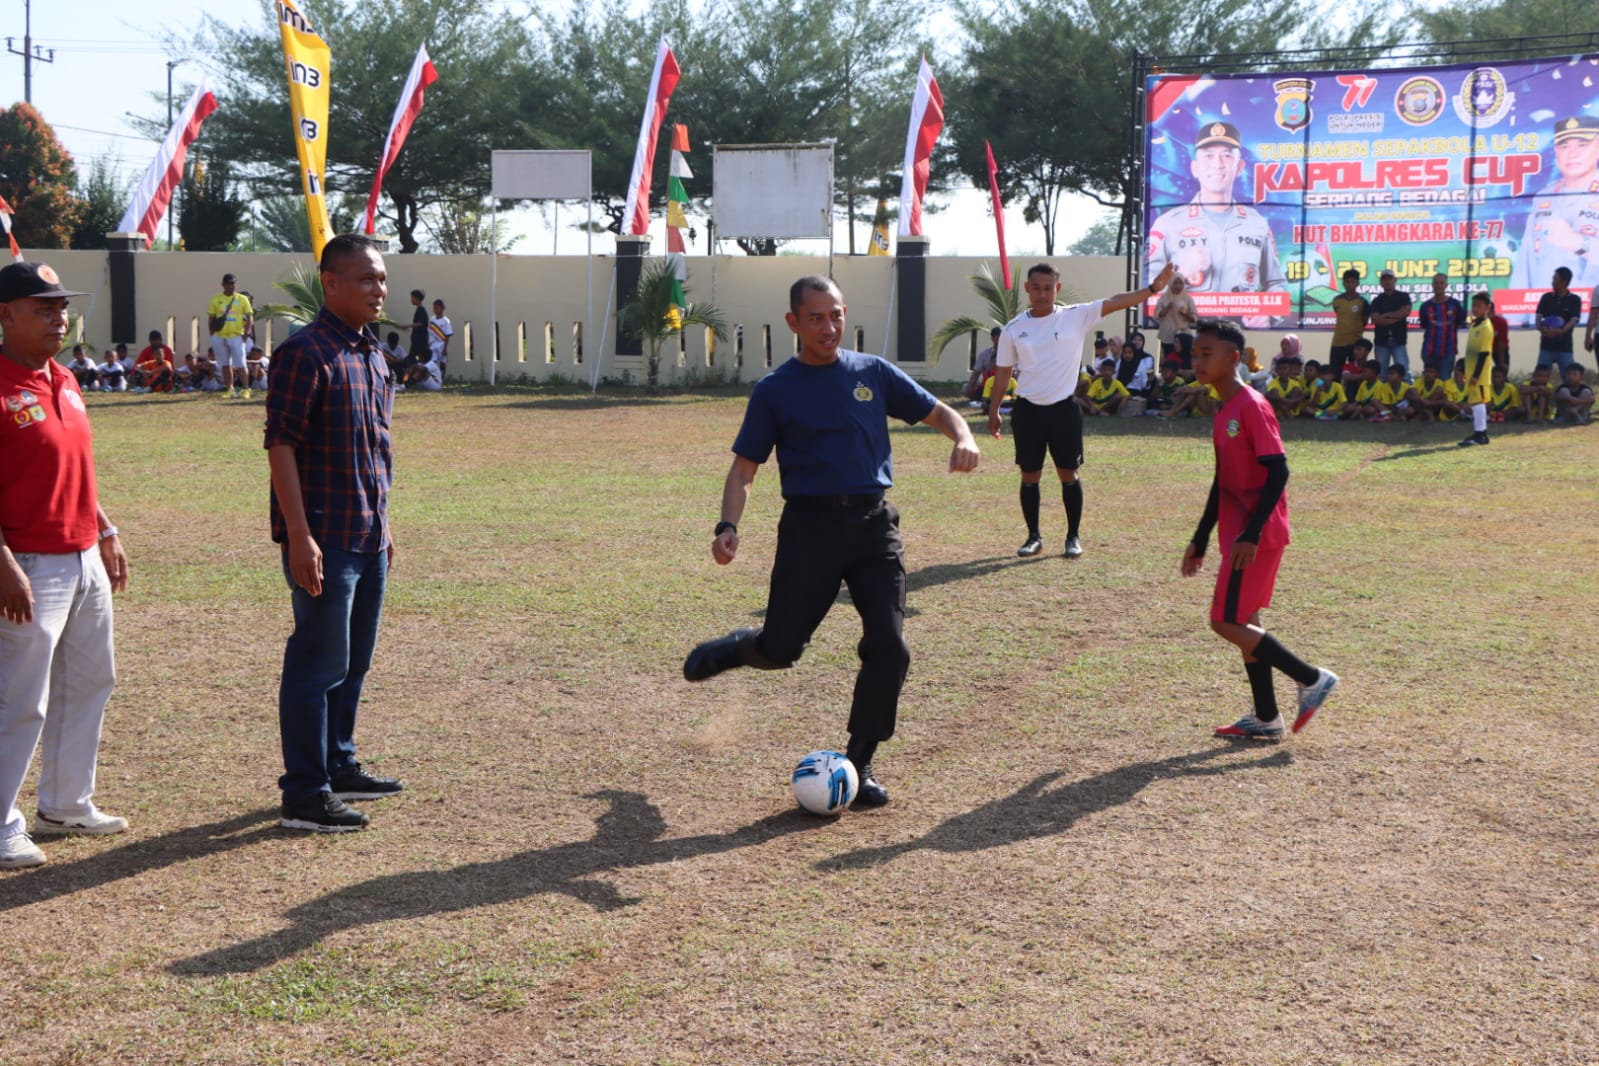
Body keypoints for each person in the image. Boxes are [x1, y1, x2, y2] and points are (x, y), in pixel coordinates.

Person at [680, 274, 980, 809]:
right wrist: (727, 527)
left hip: (873, 526)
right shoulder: (776, 389)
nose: (829, 326)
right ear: (794, 322)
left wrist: (964, 436)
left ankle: (860, 761)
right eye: (816, 317)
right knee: (781, 651)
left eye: (836, 314)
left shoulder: (873, 372)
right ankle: (741, 647)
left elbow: (939, 411)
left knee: (890, 646)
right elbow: (744, 470)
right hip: (810, 530)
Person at [264, 234, 405, 833]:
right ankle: (305, 791)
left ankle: (338, 763)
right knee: (317, 664)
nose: (379, 290)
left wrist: (386, 524)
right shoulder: (305, 353)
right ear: (332, 283)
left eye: (382, 279)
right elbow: (281, 445)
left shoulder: (370, 353)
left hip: (367, 533)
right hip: (325, 536)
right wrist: (300, 535)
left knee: (354, 663)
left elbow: (373, 452)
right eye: (367, 279)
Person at [0, 261, 131, 869]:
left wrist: (104, 529)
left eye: (61, 306)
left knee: (88, 684)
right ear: (6, 315)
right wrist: (4, 563)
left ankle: (65, 803)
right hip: (27, 562)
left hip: (82, 557)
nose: (59, 317)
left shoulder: (66, 378)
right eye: (42, 307)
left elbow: (72, 468)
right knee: (19, 699)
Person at [1178, 318, 1338, 740]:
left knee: (1224, 621)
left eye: (1206, 354)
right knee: (1246, 620)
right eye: (1195, 353)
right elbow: (1222, 481)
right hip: (1239, 533)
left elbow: (1279, 471)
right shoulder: (1222, 409)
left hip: (1256, 535)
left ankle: (1310, 677)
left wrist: (1249, 533)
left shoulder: (1251, 405)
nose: (1198, 360)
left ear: (1234, 359)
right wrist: (1200, 537)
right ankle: (1267, 717)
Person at [989, 259, 1178, 559]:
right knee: (1030, 475)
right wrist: (994, 410)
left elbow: (1117, 301)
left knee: (1068, 473)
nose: (1041, 293)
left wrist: (1153, 288)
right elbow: (1002, 374)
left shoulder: (1075, 316)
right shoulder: (1014, 329)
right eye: (1036, 288)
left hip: (1063, 409)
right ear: (1027, 288)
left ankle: (1072, 537)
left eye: (1047, 288)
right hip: (1027, 411)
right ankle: (1033, 536)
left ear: (1057, 289)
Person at [1145, 122, 1287, 329]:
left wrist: (1269, 314)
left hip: (1238, 338)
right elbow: (1147, 296)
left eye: (1227, 155)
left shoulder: (1257, 224)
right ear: (1195, 167)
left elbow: (1276, 284)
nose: (1218, 164)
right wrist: (1181, 274)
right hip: (1186, 336)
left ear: (1239, 167)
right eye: (1209, 155)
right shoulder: (1168, 224)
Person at [1509, 115, 1599, 295]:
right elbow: (1525, 266)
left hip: (1590, 313)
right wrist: (1513, 318)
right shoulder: (1544, 197)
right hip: (1543, 311)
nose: (1572, 154)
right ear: (1556, 151)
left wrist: (1580, 243)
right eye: (1564, 146)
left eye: (1582, 145)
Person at [1456, 292, 1496, 446]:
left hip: (1480, 374)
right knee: (1474, 402)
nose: (1475, 308)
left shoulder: (1486, 327)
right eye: (1473, 305)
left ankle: (1482, 435)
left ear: (1487, 307)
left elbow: (1484, 353)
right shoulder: (1475, 325)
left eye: (1479, 306)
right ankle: (1477, 431)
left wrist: (1476, 374)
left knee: (1479, 402)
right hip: (1471, 371)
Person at [207, 272, 254, 399]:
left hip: (236, 336)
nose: (231, 286)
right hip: (219, 336)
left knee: (241, 364)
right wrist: (212, 334)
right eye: (228, 283)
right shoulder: (216, 299)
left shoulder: (242, 299)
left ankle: (246, 389)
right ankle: (230, 389)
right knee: (225, 364)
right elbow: (211, 318)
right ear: (223, 284)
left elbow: (250, 317)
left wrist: (246, 333)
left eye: (233, 283)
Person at [1534, 266, 1584, 375]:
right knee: (1539, 378)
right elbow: (1538, 317)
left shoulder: (1575, 299)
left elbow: (1573, 321)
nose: (1552, 282)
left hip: (1565, 347)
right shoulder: (1546, 297)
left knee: (1569, 379)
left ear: (1564, 281)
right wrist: (1542, 328)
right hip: (1546, 346)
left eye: (1555, 279)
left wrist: (1560, 331)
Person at [1417, 272, 1465, 381]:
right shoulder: (1425, 306)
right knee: (1429, 382)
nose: (1438, 285)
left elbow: (1458, 323)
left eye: (1441, 283)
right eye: (1436, 283)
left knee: (1444, 381)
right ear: (1432, 285)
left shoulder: (1455, 304)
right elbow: (1424, 325)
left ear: (1446, 285)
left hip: (1448, 351)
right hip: (1429, 350)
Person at [1368, 269, 1413, 379]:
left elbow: (1405, 312)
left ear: (1395, 280)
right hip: (1381, 342)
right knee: (1381, 374)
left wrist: (1385, 315)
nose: (1387, 282)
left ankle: (1405, 396)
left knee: (1403, 372)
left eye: (1390, 279)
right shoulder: (1377, 300)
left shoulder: (1403, 296)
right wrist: (1397, 317)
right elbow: (1375, 320)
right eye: (1384, 279)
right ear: (1381, 282)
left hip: (1399, 340)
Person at [1327, 268, 1368, 379]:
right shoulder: (1337, 300)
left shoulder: (1363, 302)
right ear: (1343, 283)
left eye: (1353, 281)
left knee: (1355, 373)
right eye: (1347, 281)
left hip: (1355, 344)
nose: (1350, 284)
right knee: (1335, 373)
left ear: (1357, 283)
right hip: (1338, 342)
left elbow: (1364, 321)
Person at [1153, 274, 1198, 365]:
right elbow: (1157, 315)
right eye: (1175, 283)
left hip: (1183, 337)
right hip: (1167, 336)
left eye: (1180, 283)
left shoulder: (1187, 298)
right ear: (1170, 283)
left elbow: (1195, 318)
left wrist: (1184, 314)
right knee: (1169, 361)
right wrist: (1167, 308)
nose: (1178, 286)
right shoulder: (1164, 297)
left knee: (1185, 361)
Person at [963, 326, 1002, 403]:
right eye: (997, 337)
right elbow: (976, 373)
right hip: (988, 385)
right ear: (992, 338)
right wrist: (970, 387)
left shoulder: (1011, 353)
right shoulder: (984, 354)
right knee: (965, 388)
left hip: (1005, 385)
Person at [428, 298, 453, 379]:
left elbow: (448, 335)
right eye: (434, 307)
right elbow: (429, 332)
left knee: (442, 363)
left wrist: (445, 348)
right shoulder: (432, 319)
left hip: (442, 346)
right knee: (432, 362)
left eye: (437, 307)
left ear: (442, 308)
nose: (435, 309)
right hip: (432, 345)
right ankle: (434, 378)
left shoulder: (446, 321)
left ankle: (442, 378)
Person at [408, 288, 429, 364]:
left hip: (420, 341)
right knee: (413, 359)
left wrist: (407, 326)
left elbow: (420, 323)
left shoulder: (421, 310)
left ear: (417, 298)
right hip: (417, 340)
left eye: (412, 297)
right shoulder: (419, 309)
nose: (411, 299)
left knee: (415, 360)